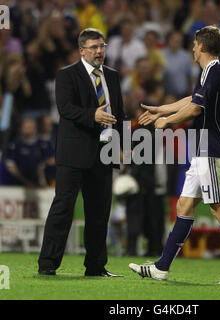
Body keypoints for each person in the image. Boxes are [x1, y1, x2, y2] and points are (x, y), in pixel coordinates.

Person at [129, 26, 220, 285]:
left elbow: (194, 110)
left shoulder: (214, 72)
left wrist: (166, 121)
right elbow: (193, 100)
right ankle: (161, 268)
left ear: (200, 45)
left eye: (193, 44)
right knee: (184, 206)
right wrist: (161, 109)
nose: (192, 48)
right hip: (203, 151)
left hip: (212, 152)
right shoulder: (213, 73)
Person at [38, 28, 125, 277]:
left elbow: (120, 113)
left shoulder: (113, 76)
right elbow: (65, 108)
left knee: (99, 213)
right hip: (73, 154)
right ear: (82, 50)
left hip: (104, 153)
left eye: (102, 46)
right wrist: (93, 115)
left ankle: (96, 267)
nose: (100, 51)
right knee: (63, 209)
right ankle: (47, 264)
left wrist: (124, 145)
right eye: (94, 47)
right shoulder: (66, 75)